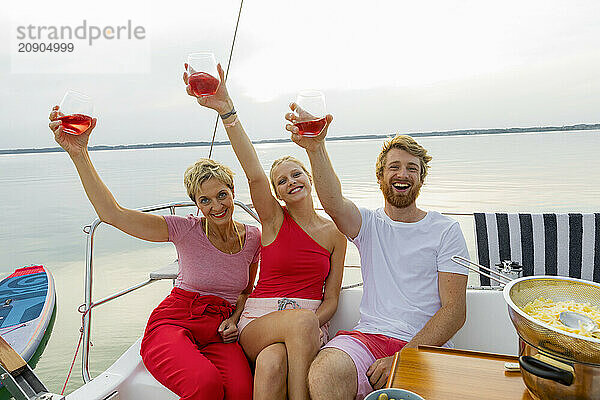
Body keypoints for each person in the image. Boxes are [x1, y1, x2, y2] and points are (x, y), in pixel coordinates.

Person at [48, 107, 260, 400]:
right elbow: (112, 214)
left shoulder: (253, 238)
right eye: (205, 200)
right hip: (174, 322)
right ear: (196, 204)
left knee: (242, 392)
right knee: (205, 384)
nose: (216, 206)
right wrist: (79, 154)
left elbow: (247, 292)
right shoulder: (185, 230)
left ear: (233, 191)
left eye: (221, 195)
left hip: (218, 329)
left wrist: (234, 319)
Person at [183, 65, 347, 400]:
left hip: (309, 320)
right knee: (295, 328)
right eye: (282, 181)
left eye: (296, 174)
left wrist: (308, 325)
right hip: (260, 318)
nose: (291, 182)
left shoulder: (335, 233)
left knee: (273, 363)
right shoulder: (274, 221)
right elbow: (254, 173)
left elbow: (331, 299)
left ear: (309, 177)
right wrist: (227, 110)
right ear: (277, 193)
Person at [285, 105, 469, 400]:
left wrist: (403, 357)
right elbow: (333, 202)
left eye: (412, 168)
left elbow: (454, 312)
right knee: (324, 371)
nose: (403, 174)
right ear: (381, 176)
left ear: (421, 179)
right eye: (394, 166)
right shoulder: (368, 224)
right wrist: (315, 148)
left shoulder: (445, 230)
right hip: (367, 338)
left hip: (423, 345)